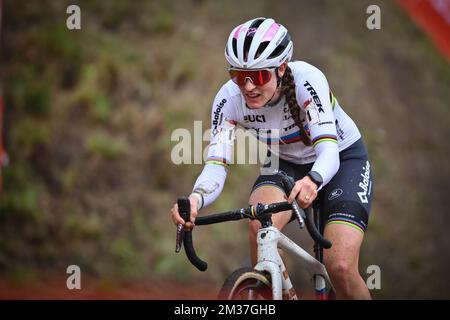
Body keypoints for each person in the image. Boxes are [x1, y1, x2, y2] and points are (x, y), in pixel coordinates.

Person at [171, 17, 374, 300]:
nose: (249, 87)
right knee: (258, 224)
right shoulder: (228, 100)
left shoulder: (307, 80)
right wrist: (195, 199)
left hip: (341, 160)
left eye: (260, 76)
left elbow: (328, 152)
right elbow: (216, 165)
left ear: (281, 68)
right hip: (286, 162)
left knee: (339, 265)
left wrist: (314, 180)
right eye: (239, 76)